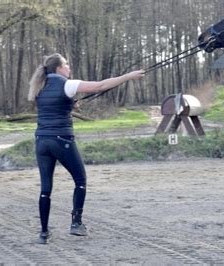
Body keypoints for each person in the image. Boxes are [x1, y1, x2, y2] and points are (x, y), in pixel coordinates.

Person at [28, 53, 144, 244]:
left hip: (41, 140)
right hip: (62, 139)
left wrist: (70, 106)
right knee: (80, 180)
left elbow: (52, 107)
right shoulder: (67, 83)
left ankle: (43, 233)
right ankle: (76, 223)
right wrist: (128, 76)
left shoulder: (39, 85)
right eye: (66, 64)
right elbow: (100, 86)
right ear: (58, 68)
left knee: (45, 188)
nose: (69, 68)